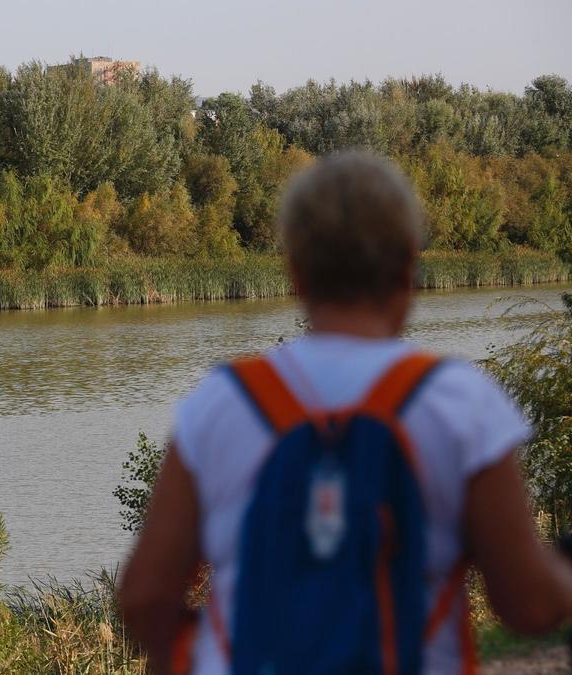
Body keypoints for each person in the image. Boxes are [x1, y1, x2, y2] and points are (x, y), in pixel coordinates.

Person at [119, 151, 572, 674]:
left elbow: (145, 598)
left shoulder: (223, 402)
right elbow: (529, 606)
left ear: (295, 273)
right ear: (407, 266)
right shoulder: (460, 403)